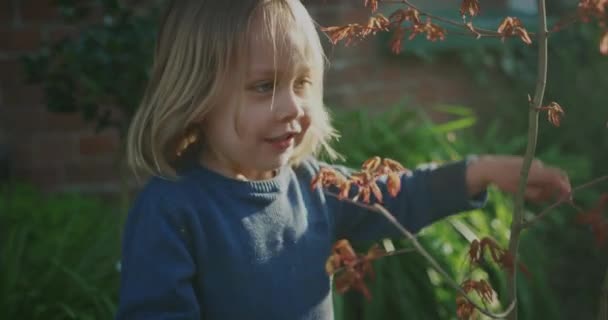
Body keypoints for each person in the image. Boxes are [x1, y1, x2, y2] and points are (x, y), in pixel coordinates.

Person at [116, 0, 572, 319]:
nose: (294, 107)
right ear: (198, 95)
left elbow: (399, 196)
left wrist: (481, 171)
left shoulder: (312, 185)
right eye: (263, 87)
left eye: (300, 84)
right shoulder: (172, 211)